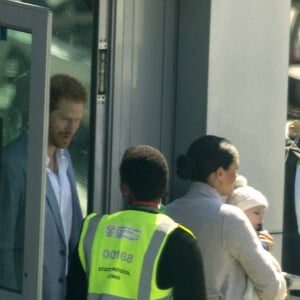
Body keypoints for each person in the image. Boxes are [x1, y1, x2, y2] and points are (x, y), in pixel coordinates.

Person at [66, 144, 207, 300]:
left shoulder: (92, 229)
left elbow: (73, 292)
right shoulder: (180, 241)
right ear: (163, 187)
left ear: (125, 189)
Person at [166, 135, 287, 300]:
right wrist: (265, 252)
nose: (237, 176)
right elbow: (271, 288)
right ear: (220, 173)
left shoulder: (168, 212)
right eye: (235, 169)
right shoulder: (229, 218)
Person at [0, 74, 87, 299]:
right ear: (43, 111)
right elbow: (4, 241)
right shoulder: (14, 162)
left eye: (77, 120)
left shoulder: (65, 158)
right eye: (66, 119)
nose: (72, 128)